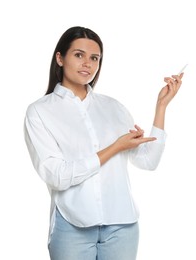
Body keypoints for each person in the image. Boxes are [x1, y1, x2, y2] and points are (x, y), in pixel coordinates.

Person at [24, 26, 183, 260]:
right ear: (60, 58)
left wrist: (161, 107)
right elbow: (56, 175)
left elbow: (148, 161)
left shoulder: (113, 108)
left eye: (94, 58)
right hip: (72, 226)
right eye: (79, 55)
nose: (87, 63)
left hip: (123, 227)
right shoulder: (40, 112)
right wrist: (114, 147)